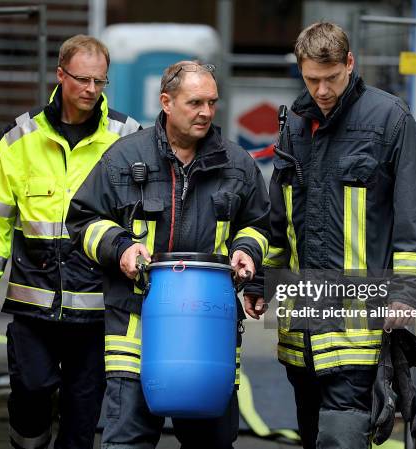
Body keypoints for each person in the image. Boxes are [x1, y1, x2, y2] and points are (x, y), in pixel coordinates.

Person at [246, 22, 416, 449]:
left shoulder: (390, 121)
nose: (323, 90)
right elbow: (280, 218)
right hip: (302, 327)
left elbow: (415, 215)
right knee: (313, 435)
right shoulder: (294, 127)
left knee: (342, 435)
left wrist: (406, 295)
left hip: (358, 325)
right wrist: (262, 282)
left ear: (350, 63)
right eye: (312, 79)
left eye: (331, 78)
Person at [66, 60, 271, 449]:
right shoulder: (124, 160)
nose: (206, 112)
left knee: (210, 443)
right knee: (127, 442)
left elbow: (261, 226)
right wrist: (121, 248)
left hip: (206, 336)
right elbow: (83, 220)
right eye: (195, 102)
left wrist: (247, 251)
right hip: (136, 333)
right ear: (166, 102)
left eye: (212, 102)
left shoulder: (237, 165)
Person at [0, 35, 141, 449]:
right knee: (30, 395)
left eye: (100, 82)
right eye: (82, 79)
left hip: (99, 306)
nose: (91, 90)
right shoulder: (19, 138)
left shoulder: (128, 135)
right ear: (60, 75)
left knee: (83, 419)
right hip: (34, 302)